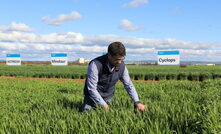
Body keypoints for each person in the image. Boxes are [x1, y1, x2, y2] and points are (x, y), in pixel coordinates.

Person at [81, 41, 146, 112]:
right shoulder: (95, 65)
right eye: (117, 59)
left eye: (122, 59)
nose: (119, 62)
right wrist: (104, 105)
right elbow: (91, 89)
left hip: (108, 97)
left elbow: (128, 85)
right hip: (92, 98)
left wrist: (137, 102)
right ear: (109, 55)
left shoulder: (122, 66)